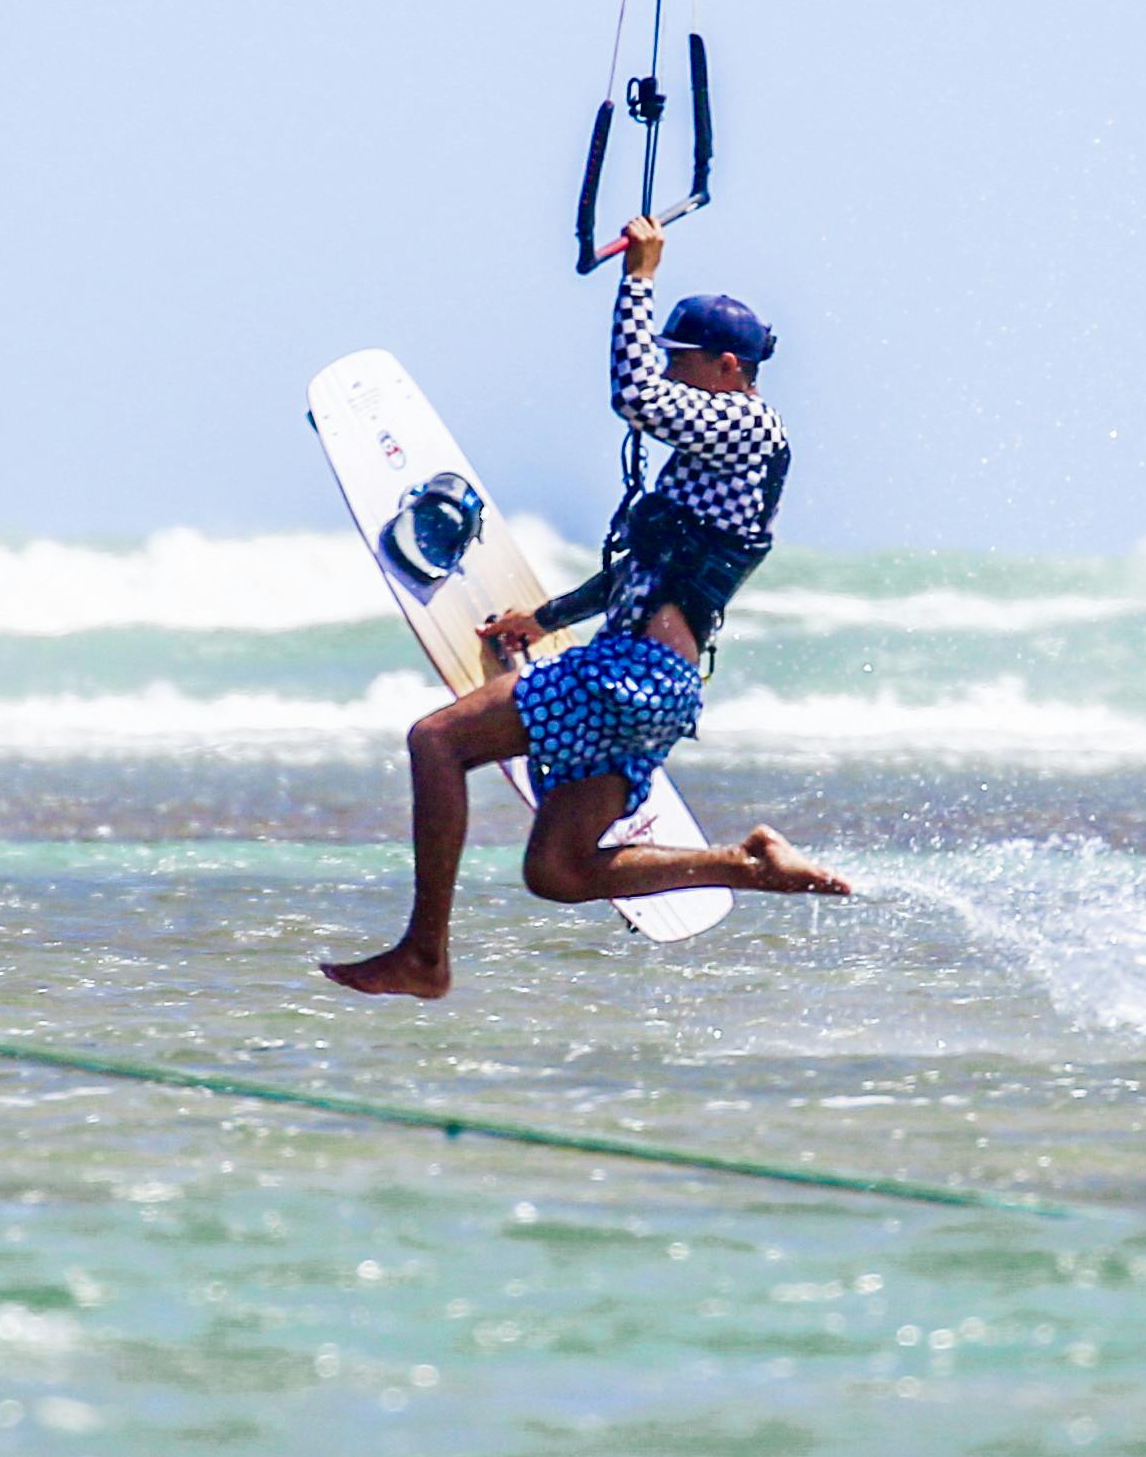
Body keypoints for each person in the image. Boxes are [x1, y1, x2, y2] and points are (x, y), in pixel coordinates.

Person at [321, 215, 849, 997]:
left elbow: (632, 396)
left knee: (436, 743)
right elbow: (652, 566)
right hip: (658, 691)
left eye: (684, 363)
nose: (671, 374)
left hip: (629, 674)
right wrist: (546, 619)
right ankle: (749, 866)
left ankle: (423, 953)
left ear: (730, 366)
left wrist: (639, 276)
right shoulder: (715, 464)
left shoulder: (744, 426)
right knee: (558, 870)